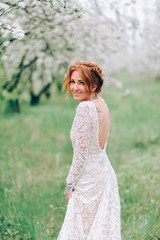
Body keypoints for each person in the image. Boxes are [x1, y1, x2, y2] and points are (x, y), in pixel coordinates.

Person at [57, 62, 121, 240]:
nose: (75, 88)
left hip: (88, 181)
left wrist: (70, 184)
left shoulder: (85, 108)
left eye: (81, 83)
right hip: (104, 173)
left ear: (93, 85)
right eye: (72, 82)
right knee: (98, 230)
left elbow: (80, 153)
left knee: (79, 232)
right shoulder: (101, 103)